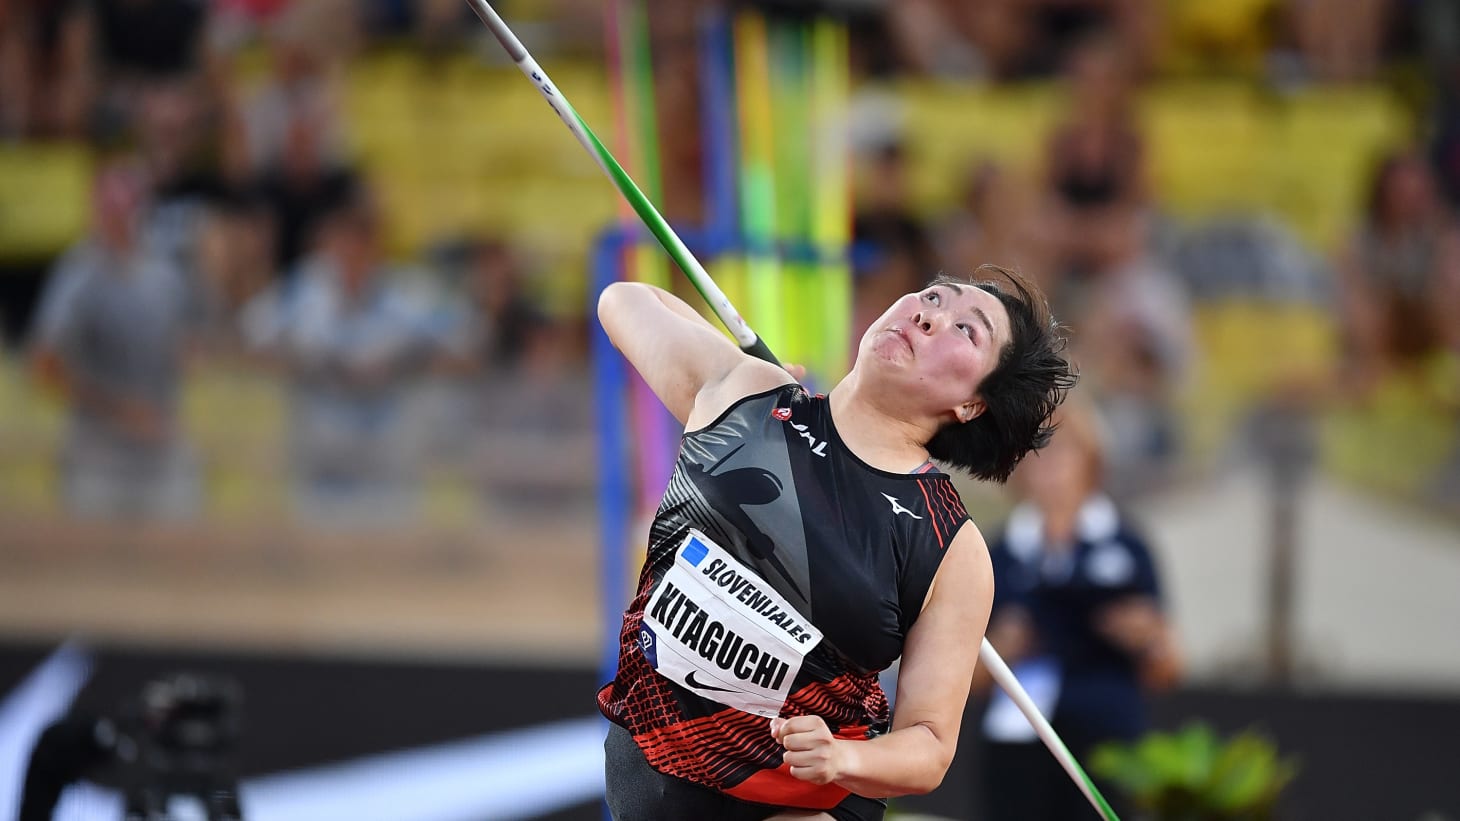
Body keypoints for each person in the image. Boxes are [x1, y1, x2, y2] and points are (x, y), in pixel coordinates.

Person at [595, 265, 1076, 820]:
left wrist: (841, 757)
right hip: (645, 758)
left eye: (967, 330)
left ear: (972, 405)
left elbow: (929, 747)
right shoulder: (745, 394)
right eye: (932, 297)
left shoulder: (950, 548)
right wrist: (737, 362)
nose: (929, 316)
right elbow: (625, 300)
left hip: (793, 798)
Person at [975, 400, 1178, 821]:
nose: (1048, 461)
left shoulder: (1127, 545)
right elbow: (961, 674)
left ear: (1092, 459)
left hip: (1108, 740)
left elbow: (1169, 667)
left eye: (1063, 446)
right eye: (1036, 447)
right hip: (1019, 742)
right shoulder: (996, 553)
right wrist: (1002, 648)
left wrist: (1143, 637)